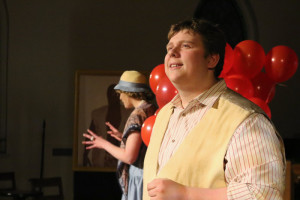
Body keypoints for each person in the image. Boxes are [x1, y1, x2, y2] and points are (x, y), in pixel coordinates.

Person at [143, 18, 286, 200]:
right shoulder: (164, 115)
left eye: (186, 46)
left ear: (211, 59)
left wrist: (187, 194)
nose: (172, 52)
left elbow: (263, 194)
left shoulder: (247, 120)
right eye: (169, 48)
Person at [83, 70, 157, 200]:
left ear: (129, 92)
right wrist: (124, 136)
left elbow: (129, 157)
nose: (120, 98)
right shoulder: (150, 108)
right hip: (149, 175)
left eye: (120, 93)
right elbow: (144, 142)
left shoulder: (137, 115)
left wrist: (103, 143)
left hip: (139, 178)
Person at [82, 84, 132, 168]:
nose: (113, 97)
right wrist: (85, 155)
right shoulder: (98, 114)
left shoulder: (128, 114)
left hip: (122, 158)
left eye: (116, 94)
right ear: (107, 96)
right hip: (101, 159)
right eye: (111, 94)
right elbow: (91, 134)